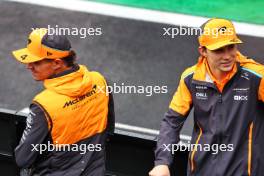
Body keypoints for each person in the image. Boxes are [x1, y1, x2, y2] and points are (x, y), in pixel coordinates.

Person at [149, 18, 264, 176]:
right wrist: (162, 162)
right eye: (219, 50)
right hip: (201, 171)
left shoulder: (257, 77)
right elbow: (171, 122)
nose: (227, 56)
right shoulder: (191, 78)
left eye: (231, 47)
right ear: (203, 51)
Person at [12, 28, 115, 176]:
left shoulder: (44, 105)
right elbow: (108, 129)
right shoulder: (100, 80)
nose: (29, 66)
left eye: (35, 62)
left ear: (57, 63)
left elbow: (23, 159)